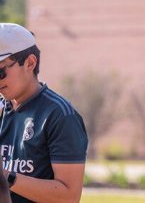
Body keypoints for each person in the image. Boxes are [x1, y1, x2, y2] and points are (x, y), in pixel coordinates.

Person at [0, 23, 88, 203]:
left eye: (1, 71)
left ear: (30, 63)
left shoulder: (60, 115)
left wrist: (6, 177)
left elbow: (68, 197)